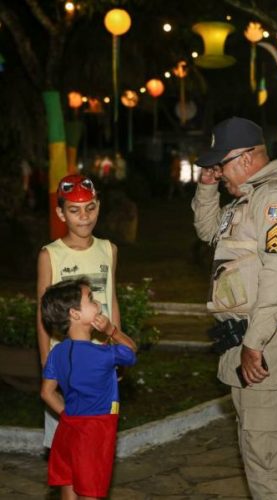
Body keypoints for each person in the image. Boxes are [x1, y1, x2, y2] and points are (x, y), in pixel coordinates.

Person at [191, 116, 277, 499]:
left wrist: (254, 342)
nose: (218, 170)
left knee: (269, 472)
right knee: (259, 462)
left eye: (221, 163)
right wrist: (207, 188)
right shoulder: (250, 198)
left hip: (268, 351)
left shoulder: (274, 199)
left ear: (246, 158)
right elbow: (208, 231)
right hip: (254, 348)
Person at [37, 174, 121, 449]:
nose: (84, 217)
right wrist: (46, 362)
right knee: (65, 443)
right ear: (61, 213)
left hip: (99, 360)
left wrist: (116, 345)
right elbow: (42, 312)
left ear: (98, 206)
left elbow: (111, 298)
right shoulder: (50, 254)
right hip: (66, 361)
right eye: (74, 210)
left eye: (90, 208)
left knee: (95, 442)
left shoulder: (109, 249)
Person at [40, 278, 137, 500]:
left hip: (68, 428)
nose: (97, 303)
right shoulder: (103, 355)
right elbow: (130, 351)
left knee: (69, 482)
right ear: (75, 314)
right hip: (96, 429)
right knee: (91, 490)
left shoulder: (57, 353)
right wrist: (112, 330)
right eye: (90, 299)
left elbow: (47, 392)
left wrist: (68, 415)